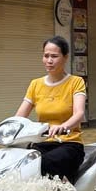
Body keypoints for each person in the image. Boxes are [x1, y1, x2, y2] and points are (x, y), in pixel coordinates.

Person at [14, 36, 88, 182]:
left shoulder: (76, 82)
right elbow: (18, 118)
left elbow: (79, 113)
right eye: (46, 56)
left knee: (42, 164)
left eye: (54, 56)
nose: (49, 60)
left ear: (65, 57)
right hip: (42, 143)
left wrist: (63, 126)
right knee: (16, 164)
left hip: (69, 144)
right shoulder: (35, 84)